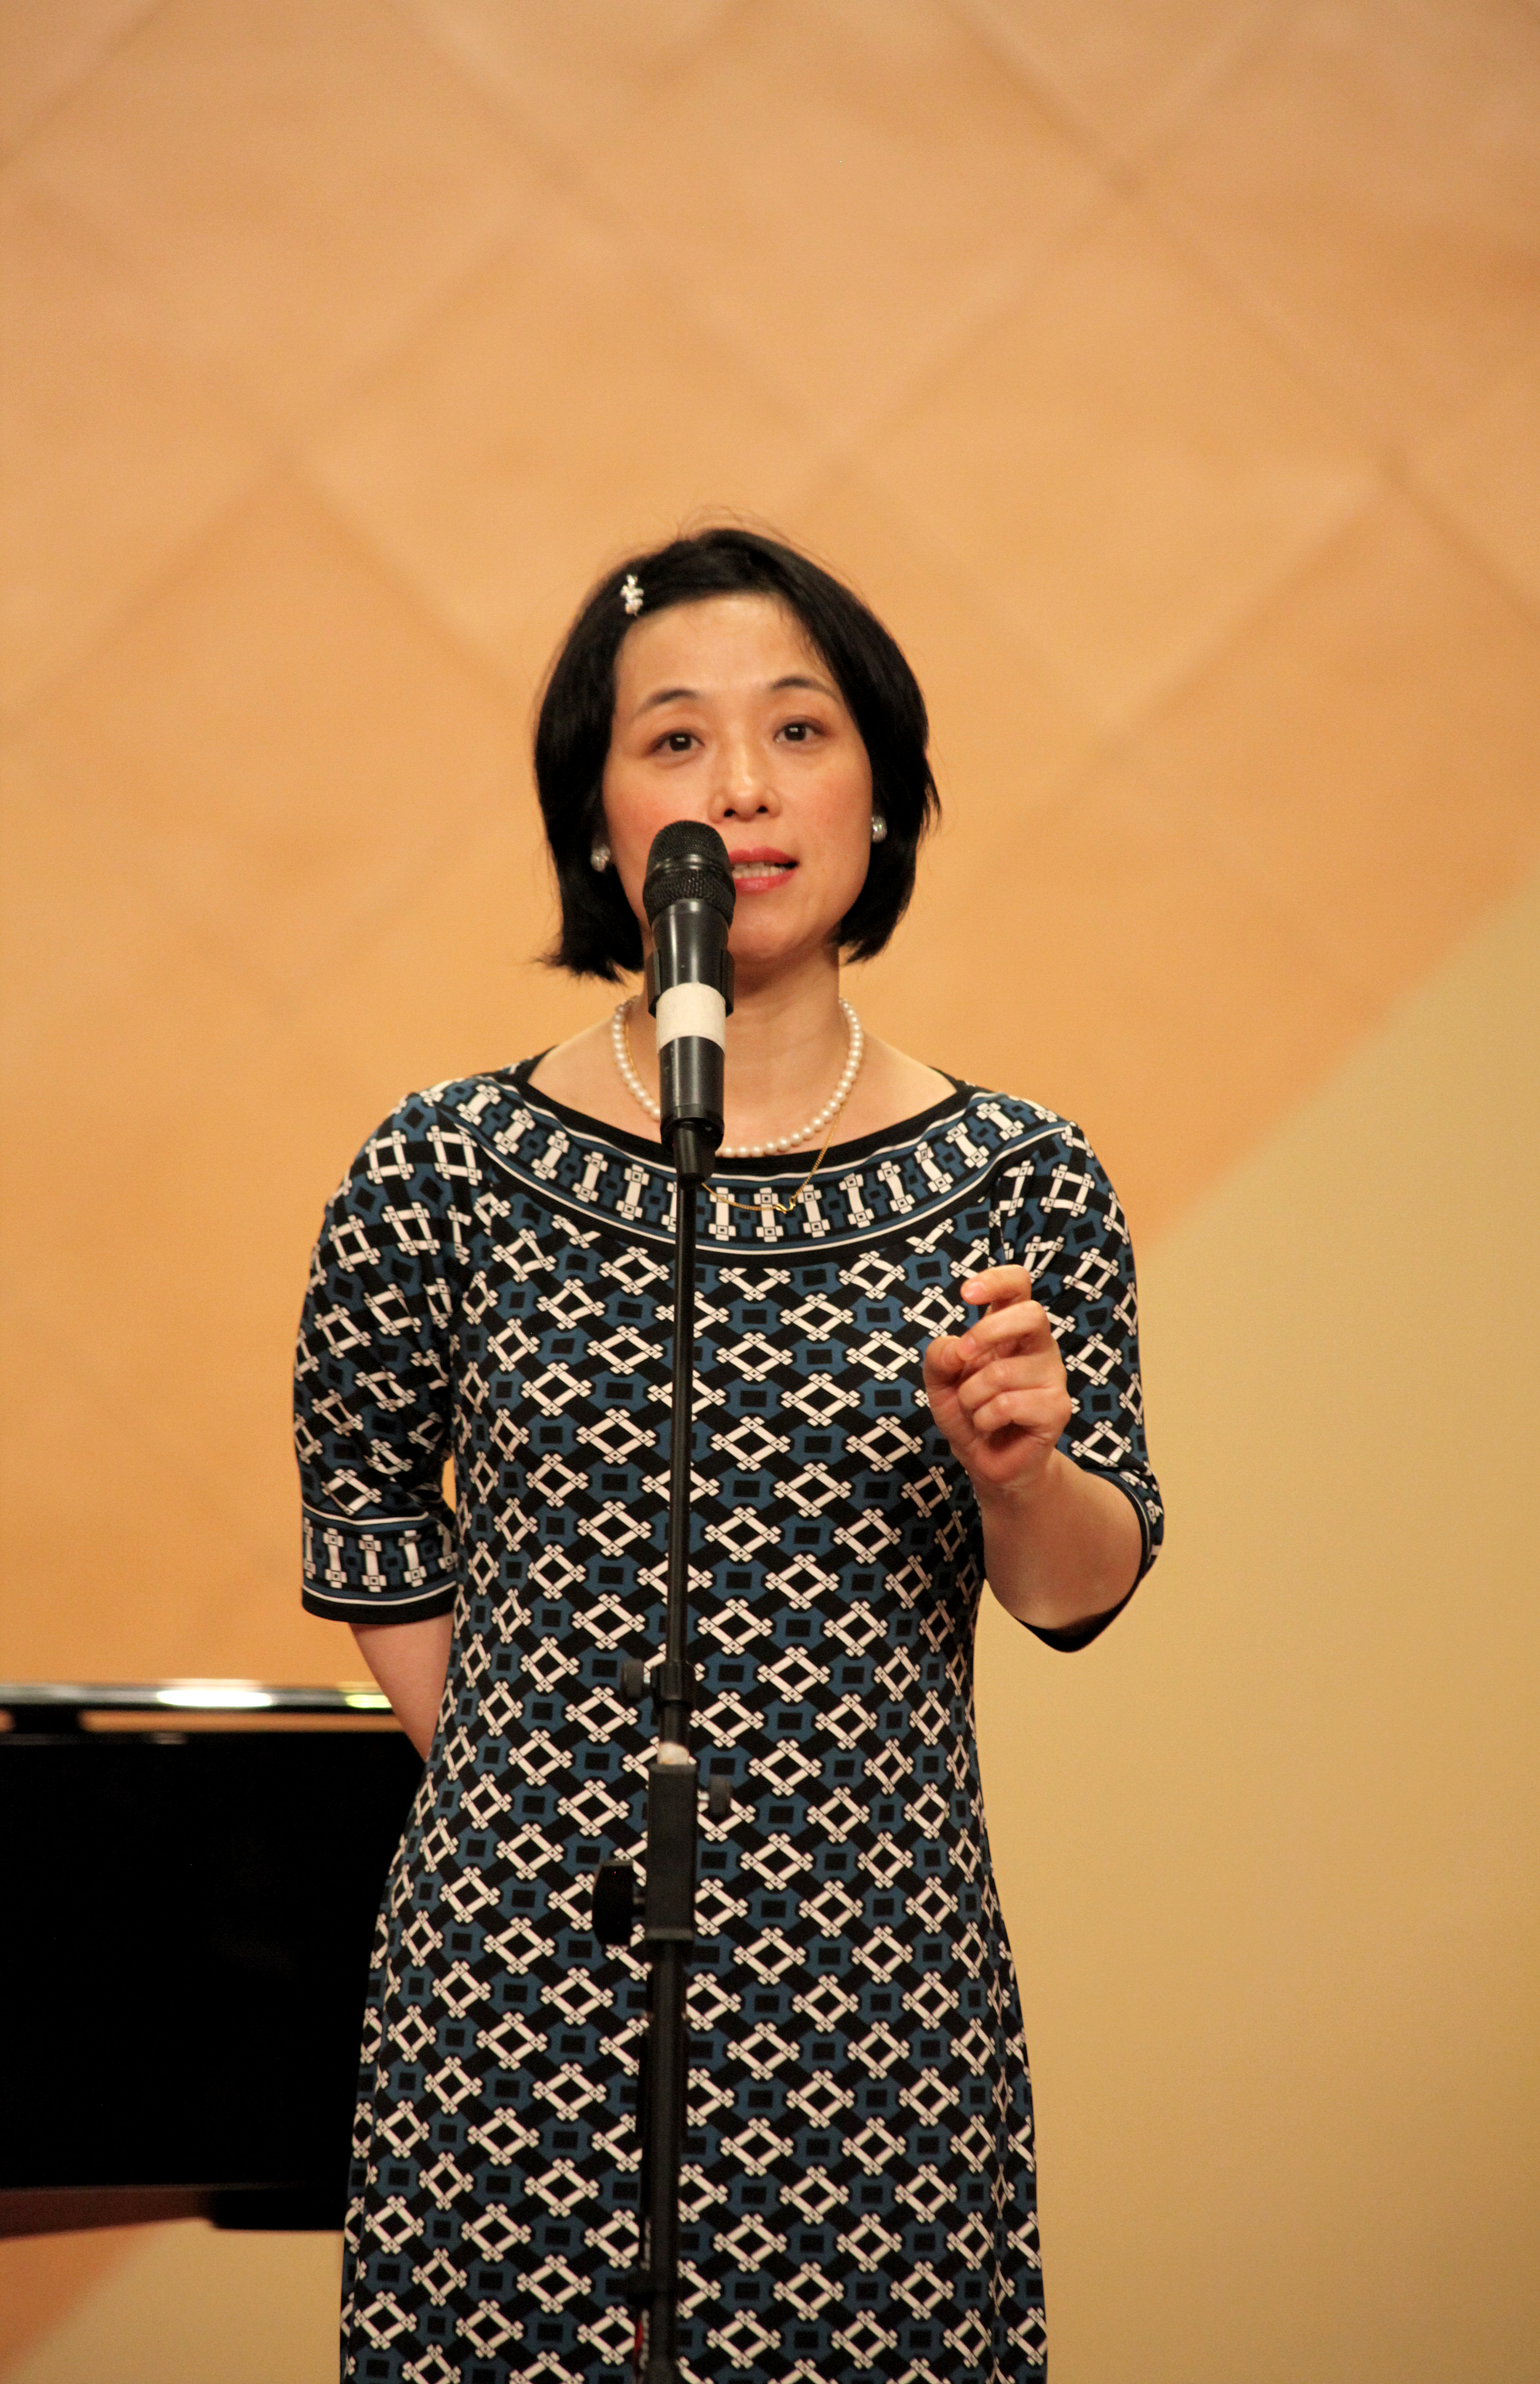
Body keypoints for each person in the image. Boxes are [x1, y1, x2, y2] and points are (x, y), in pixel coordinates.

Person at [296, 526, 1163, 2384]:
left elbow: (1080, 1586)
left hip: (878, 2003)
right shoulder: (442, 1170)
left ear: (882, 792)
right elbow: (364, 1510)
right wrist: (527, 1789)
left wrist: (1021, 1473)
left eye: (797, 729)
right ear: (597, 816)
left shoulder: (1017, 1178)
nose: (741, 788)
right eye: (674, 739)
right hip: (508, 2002)